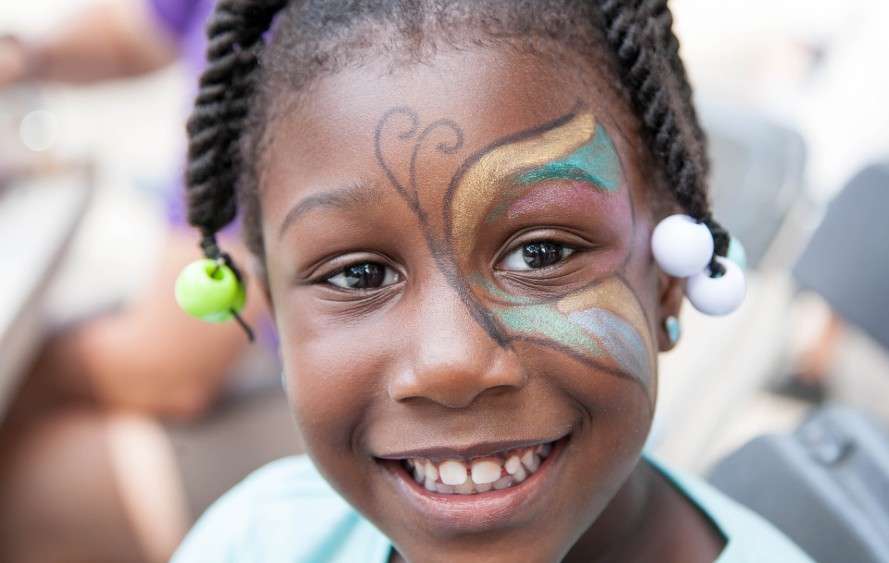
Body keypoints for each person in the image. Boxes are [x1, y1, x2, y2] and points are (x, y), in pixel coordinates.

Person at [168, 1, 815, 561]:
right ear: (275, 309)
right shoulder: (260, 539)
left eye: (539, 254)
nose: (451, 362)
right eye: (360, 275)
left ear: (669, 279)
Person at [0, 2, 300, 562]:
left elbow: (169, 366)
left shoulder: (285, 44)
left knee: (33, 486)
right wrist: (25, 56)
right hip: (272, 357)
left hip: (343, 416)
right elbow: (139, 30)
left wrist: (20, 379)